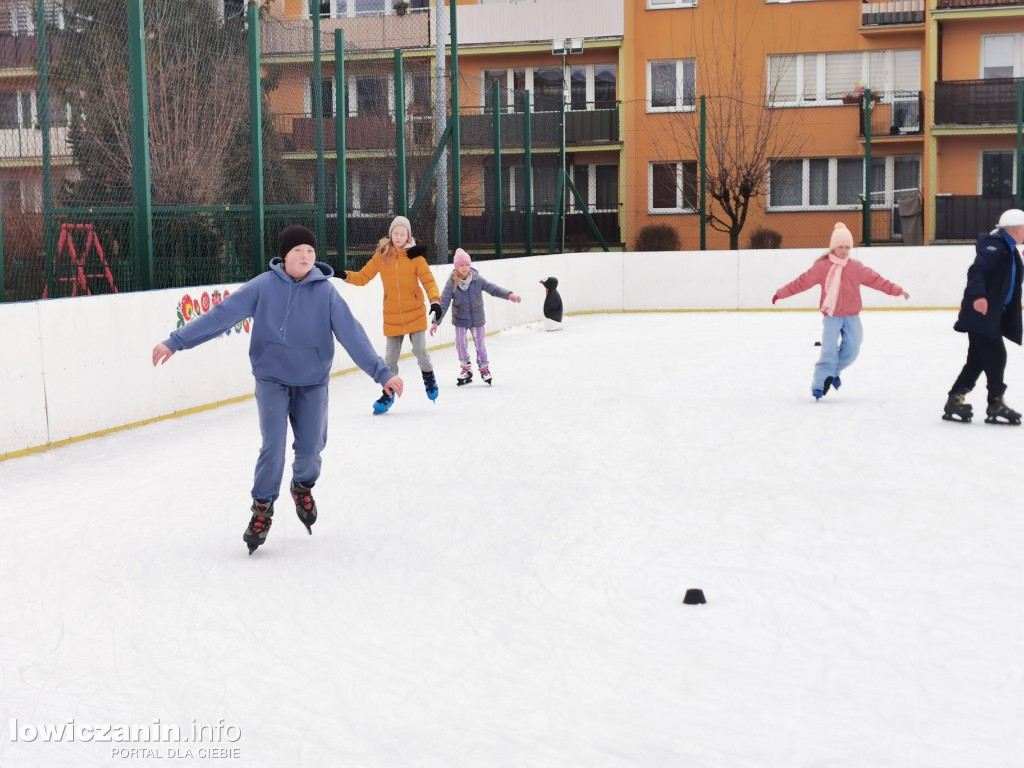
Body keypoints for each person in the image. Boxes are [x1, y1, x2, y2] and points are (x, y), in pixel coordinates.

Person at [151, 225, 403, 555]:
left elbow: (352, 335)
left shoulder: (326, 293)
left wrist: (381, 372)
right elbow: (221, 316)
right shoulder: (263, 287)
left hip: (312, 382)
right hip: (272, 380)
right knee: (273, 445)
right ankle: (262, 509)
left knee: (312, 448)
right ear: (284, 255)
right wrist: (176, 341)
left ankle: (303, 485)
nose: (305, 256)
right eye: (298, 250)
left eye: (311, 252)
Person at [772, 222, 909, 400]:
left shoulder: (856, 267)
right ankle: (819, 384)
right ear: (833, 247)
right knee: (828, 350)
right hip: (831, 316)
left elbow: (877, 280)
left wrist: (897, 290)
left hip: (852, 315)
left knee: (853, 349)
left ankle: (833, 372)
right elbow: (801, 282)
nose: (844, 251)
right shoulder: (822, 267)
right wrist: (780, 294)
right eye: (840, 247)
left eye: (847, 247)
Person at [340, 215, 441, 413]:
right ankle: (388, 394)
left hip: (415, 312)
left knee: (420, 351)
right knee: (390, 360)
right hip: (393, 315)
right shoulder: (382, 256)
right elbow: (363, 277)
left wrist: (435, 302)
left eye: (402, 234)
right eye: (396, 233)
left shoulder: (415, 257)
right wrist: (344, 275)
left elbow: (428, 282)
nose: (399, 236)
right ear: (391, 234)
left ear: (408, 236)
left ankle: (429, 377)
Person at [942, 208, 1024, 425]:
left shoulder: (1010, 250)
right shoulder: (996, 246)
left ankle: (955, 399)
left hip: (991, 314)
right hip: (980, 313)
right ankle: (996, 402)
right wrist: (979, 296)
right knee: (996, 355)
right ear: (1015, 228)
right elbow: (977, 270)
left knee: (977, 360)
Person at [429, 248, 521, 385]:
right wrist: (436, 321)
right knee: (460, 343)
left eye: (467, 264)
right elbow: (444, 303)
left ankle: (484, 369)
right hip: (460, 320)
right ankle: (466, 369)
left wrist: (509, 295)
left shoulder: (478, 280)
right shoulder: (451, 283)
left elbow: (493, 289)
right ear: (456, 266)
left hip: (477, 320)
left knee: (480, 345)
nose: (465, 268)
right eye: (461, 265)